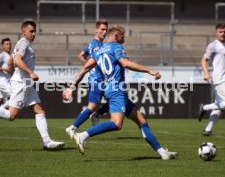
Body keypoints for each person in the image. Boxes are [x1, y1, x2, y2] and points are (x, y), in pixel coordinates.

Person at [63, 25, 177, 160]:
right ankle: (83, 135)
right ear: (116, 37)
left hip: (110, 90)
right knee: (116, 124)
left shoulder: (99, 51)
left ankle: (162, 153)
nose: (124, 39)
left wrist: (72, 86)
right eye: (123, 36)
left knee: (141, 120)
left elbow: (85, 68)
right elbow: (125, 63)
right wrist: (149, 71)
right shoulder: (116, 47)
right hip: (117, 90)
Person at [0, 20, 65, 150]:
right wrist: (31, 72)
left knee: (39, 110)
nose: (34, 33)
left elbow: (14, 60)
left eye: (35, 31)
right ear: (23, 32)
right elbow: (17, 60)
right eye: (31, 31)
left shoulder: (25, 44)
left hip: (26, 84)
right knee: (11, 115)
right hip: (21, 84)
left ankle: (47, 141)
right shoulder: (23, 42)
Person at [65, 20, 109, 139]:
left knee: (115, 98)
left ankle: (96, 115)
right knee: (92, 106)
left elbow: (81, 55)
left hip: (101, 79)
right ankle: (73, 127)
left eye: (106, 30)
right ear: (96, 30)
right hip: (97, 80)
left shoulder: (92, 44)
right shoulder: (95, 45)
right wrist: (92, 68)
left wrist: (90, 67)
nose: (104, 32)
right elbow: (96, 62)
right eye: (102, 29)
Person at [198, 23, 225, 136]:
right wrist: (206, 73)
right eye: (220, 32)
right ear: (216, 33)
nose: (223, 34)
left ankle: (208, 130)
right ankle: (204, 107)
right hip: (218, 78)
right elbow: (204, 60)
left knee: (219, 106)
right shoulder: (213, 45)